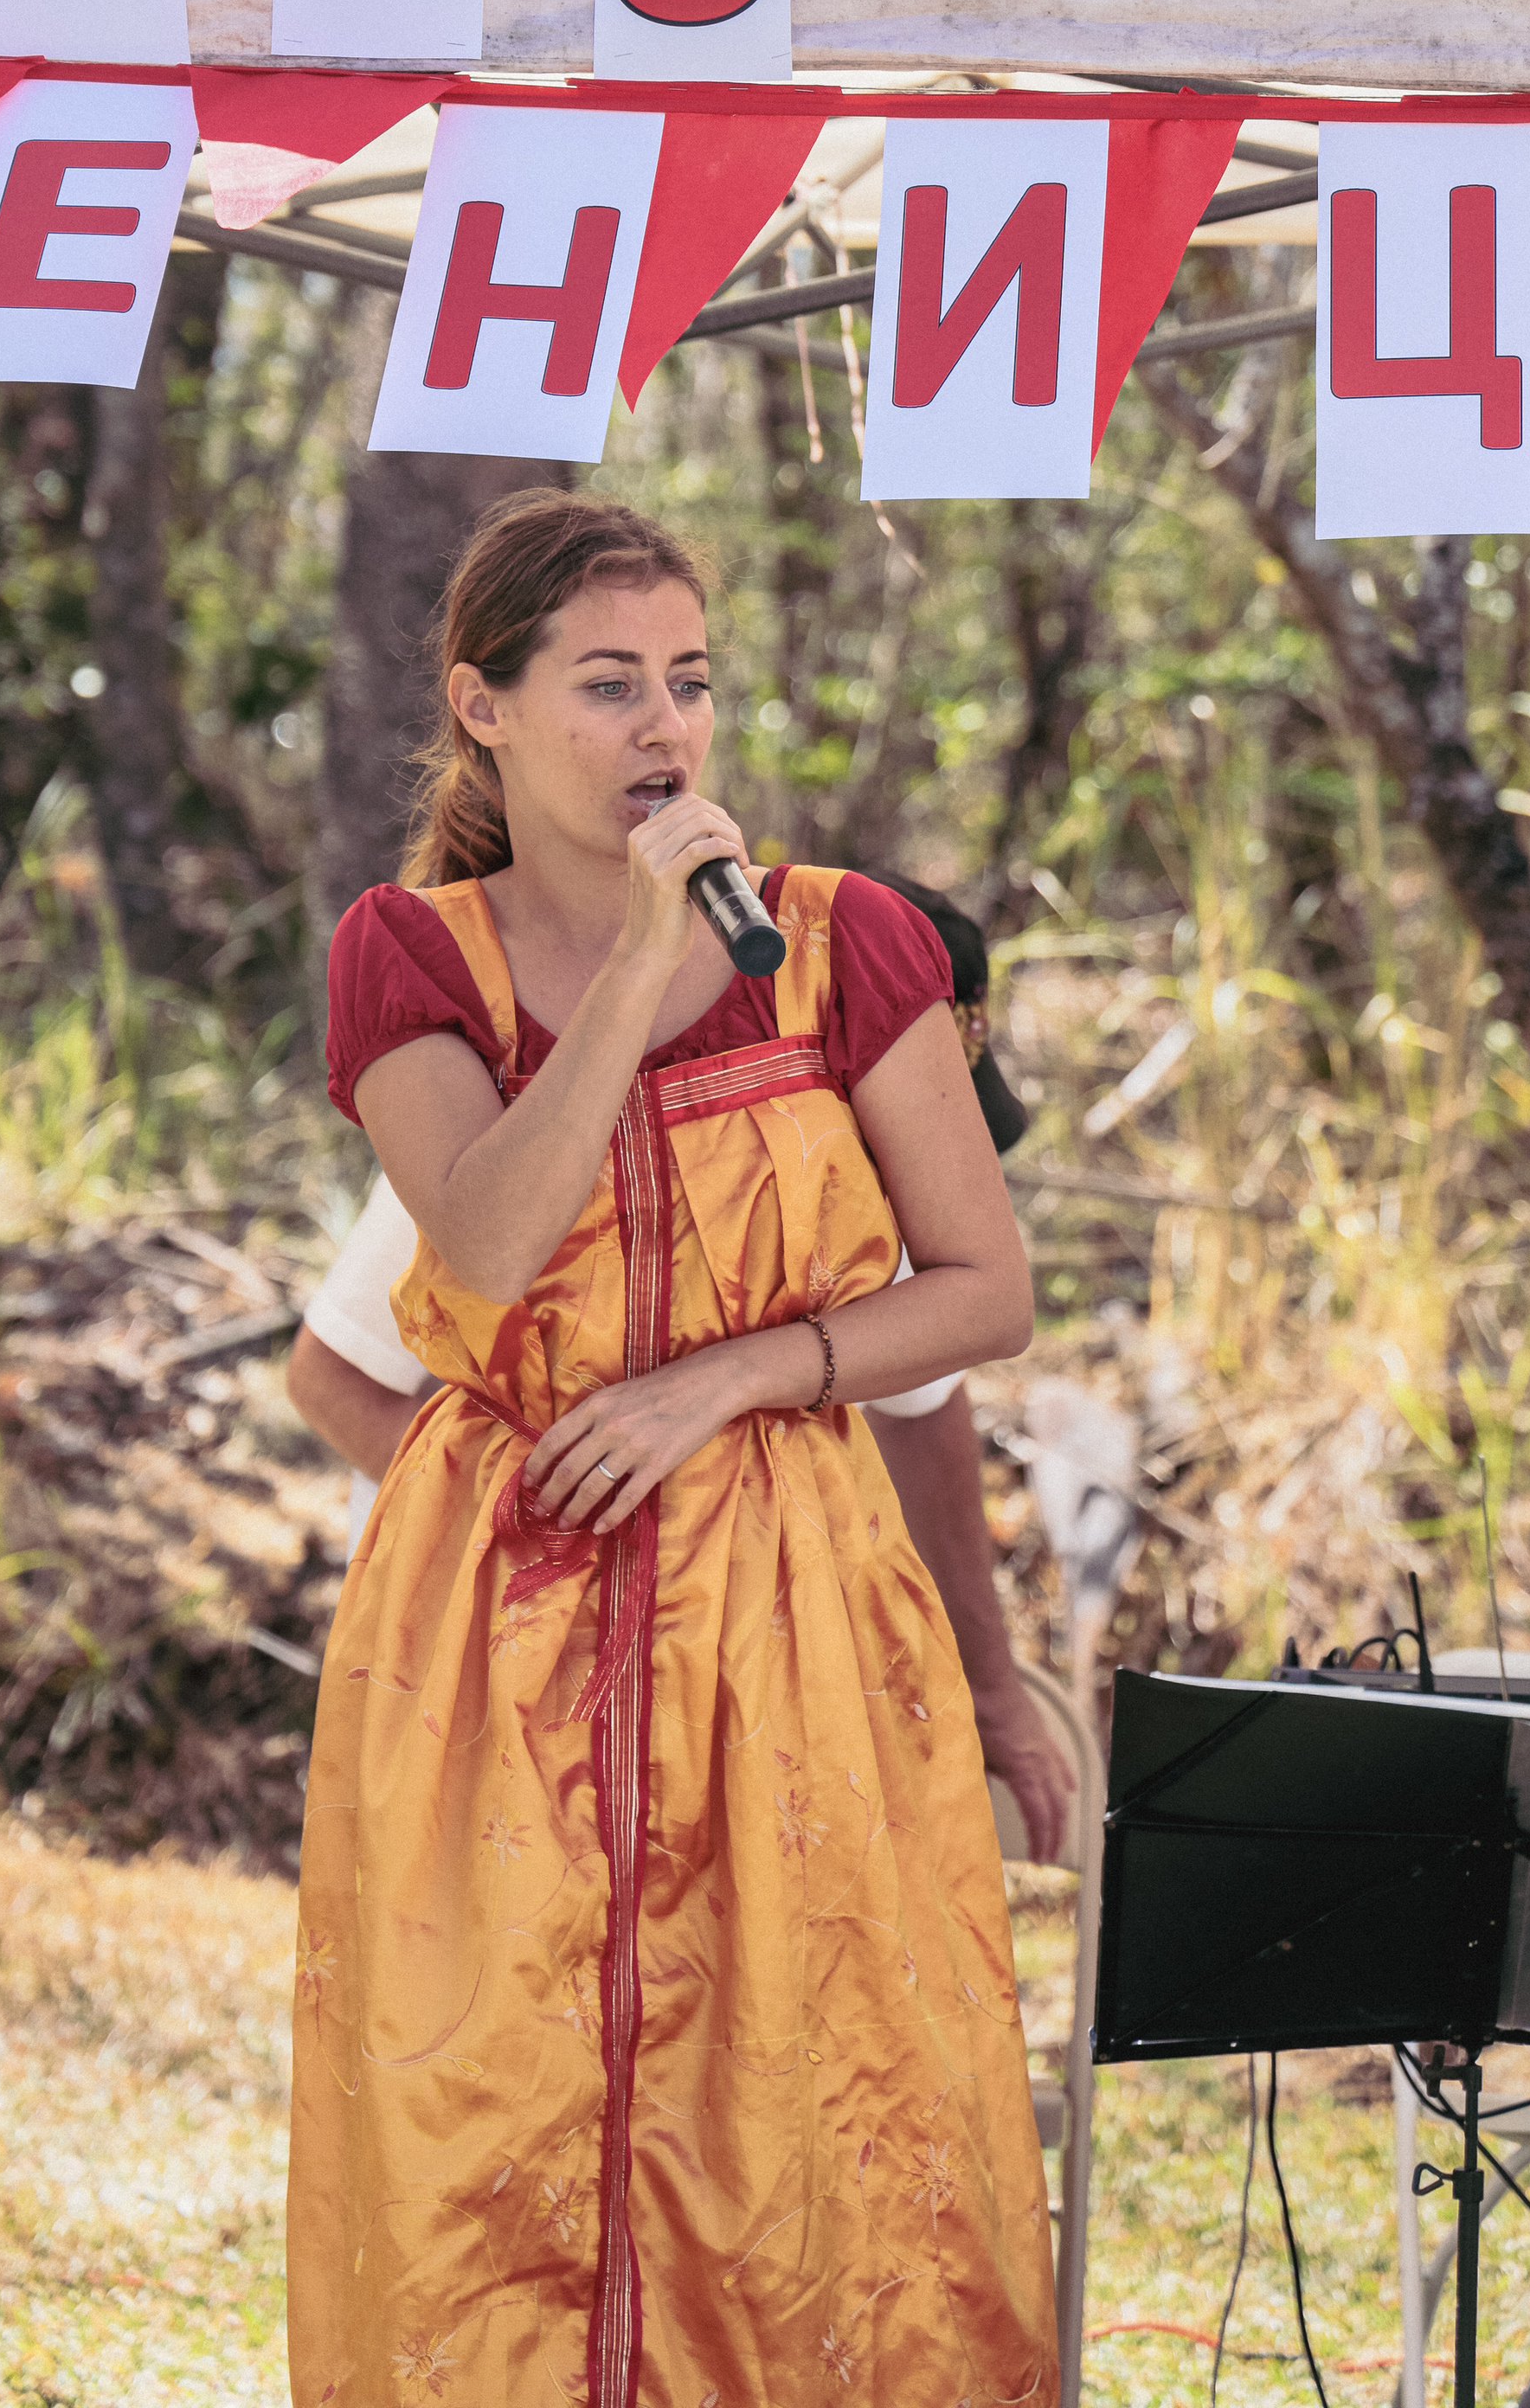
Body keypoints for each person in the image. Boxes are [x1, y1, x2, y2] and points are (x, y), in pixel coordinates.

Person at [287, 491, 1060, 2408]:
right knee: (492, 2106)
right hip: (491, 1638)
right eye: (608, 684)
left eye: (691, 687)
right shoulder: (406, 954)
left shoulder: (846, 943)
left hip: (786, 1598)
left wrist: (727, 1380)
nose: (662, 730)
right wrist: (638, 964)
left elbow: (978, 1292)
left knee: (808, 2092)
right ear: (482, 706)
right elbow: (477, 1241)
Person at [288, 870, 1074, 1859]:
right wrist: (537, 1532)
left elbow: (926, 1406)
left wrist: (993, 1690)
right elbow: (332, 1376)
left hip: (733, 1657)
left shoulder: (862, 1160)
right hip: (491, 1644)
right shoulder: (510, 1123)